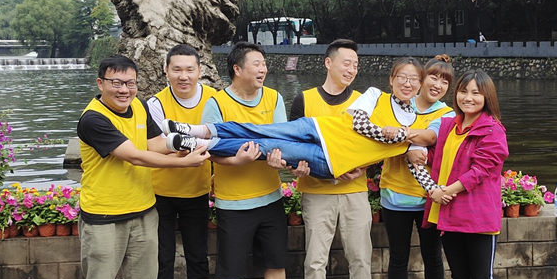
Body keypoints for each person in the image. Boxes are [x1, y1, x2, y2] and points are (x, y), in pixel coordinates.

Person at [77, 55, 209, 279]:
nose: (124, 90)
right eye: (116, 83)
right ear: (100, 83)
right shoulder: (93, 119)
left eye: (131, 83)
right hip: (104, 216)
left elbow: (152, 143)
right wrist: (183, 164)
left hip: (144, 211)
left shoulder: (138, 105)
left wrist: (181, 148)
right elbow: (134, 156)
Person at [165, 57, 437, 186]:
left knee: (264, 145)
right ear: (391, 79)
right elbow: (358, 123)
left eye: (414, 79)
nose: (407, 83)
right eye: (402, 77)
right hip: (319, 127)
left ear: (420, 84)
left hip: (329, 160)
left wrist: (436, 190)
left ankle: (195, 143)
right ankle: (195, 130)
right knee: (259, 129)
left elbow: (417, 164)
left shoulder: (418, 125)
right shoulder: (375, 95)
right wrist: (395, 134)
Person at [200, 42, 305, 279]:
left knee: (275, 261)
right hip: (233, 203)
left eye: (264, 64)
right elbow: (210, 150)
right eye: (256, 64)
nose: (263, 69)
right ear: (237, 69)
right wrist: (236, 160)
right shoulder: (217, 103)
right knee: (229, 269)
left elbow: (282, 140)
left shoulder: (273, 97)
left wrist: (281, 160)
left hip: (270, 197)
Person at [288, 40, 380, 279]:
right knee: (315, 259)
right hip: (316, 192)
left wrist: (362, 168)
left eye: (355, 64)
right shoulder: (304, 99)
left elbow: (374, 144)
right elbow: (293, 145)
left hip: (354, 190)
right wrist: (296, 167)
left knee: (360, 255)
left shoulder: (363, 102)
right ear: (328, 63)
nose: (352, 69)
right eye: (346, 63)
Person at [427, 69, 509, 279]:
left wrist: (445, 191)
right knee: (459, 278)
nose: (468, 98)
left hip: (478, 217)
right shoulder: (451, 126)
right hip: (450, 215)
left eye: (476, 92)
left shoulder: (492, 130)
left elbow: (480, 170)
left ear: (487, 97)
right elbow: (440, 159)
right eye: (463, 91)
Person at [379, 55, 456, 279]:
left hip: (429, 198)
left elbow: (430, 138)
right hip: (395, 195)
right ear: (421, 80)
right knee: (398, 257)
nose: (437, 84)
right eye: (433, 77)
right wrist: (405, 147)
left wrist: (397, 137)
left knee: (433, 256)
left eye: (445, 81)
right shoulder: (399, 103)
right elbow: (376, 137)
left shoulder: (446, 113)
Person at [145, 45, 216, 279]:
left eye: (189, 69)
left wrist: (181, 141)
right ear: (166, 71)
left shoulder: (214, 99)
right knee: (162, 260)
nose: (183, 76)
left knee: (198, 259)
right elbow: (157, 143)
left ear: (200, 71)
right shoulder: (155, 103)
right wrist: (198, 140)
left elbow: (221, 136)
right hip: (159, 192)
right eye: (176, 69)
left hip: (196, 192)